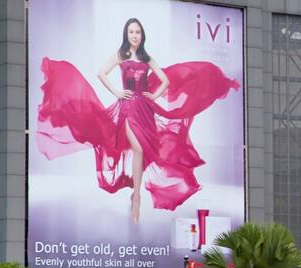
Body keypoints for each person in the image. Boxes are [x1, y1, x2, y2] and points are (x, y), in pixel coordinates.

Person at [35, 18, 241, 223]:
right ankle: (137, 197)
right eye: (131, 32)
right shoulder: (120, 56)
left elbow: (166, 80)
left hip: (145, 108)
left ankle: (136, 193)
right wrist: (117, 92)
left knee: (145, 150)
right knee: (139, 149)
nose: (134, 36)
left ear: (142, 36)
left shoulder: (147, 58)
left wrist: (154, 95)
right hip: (127, 107)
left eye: (138, 32)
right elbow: (101, 73)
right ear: (126, 34)